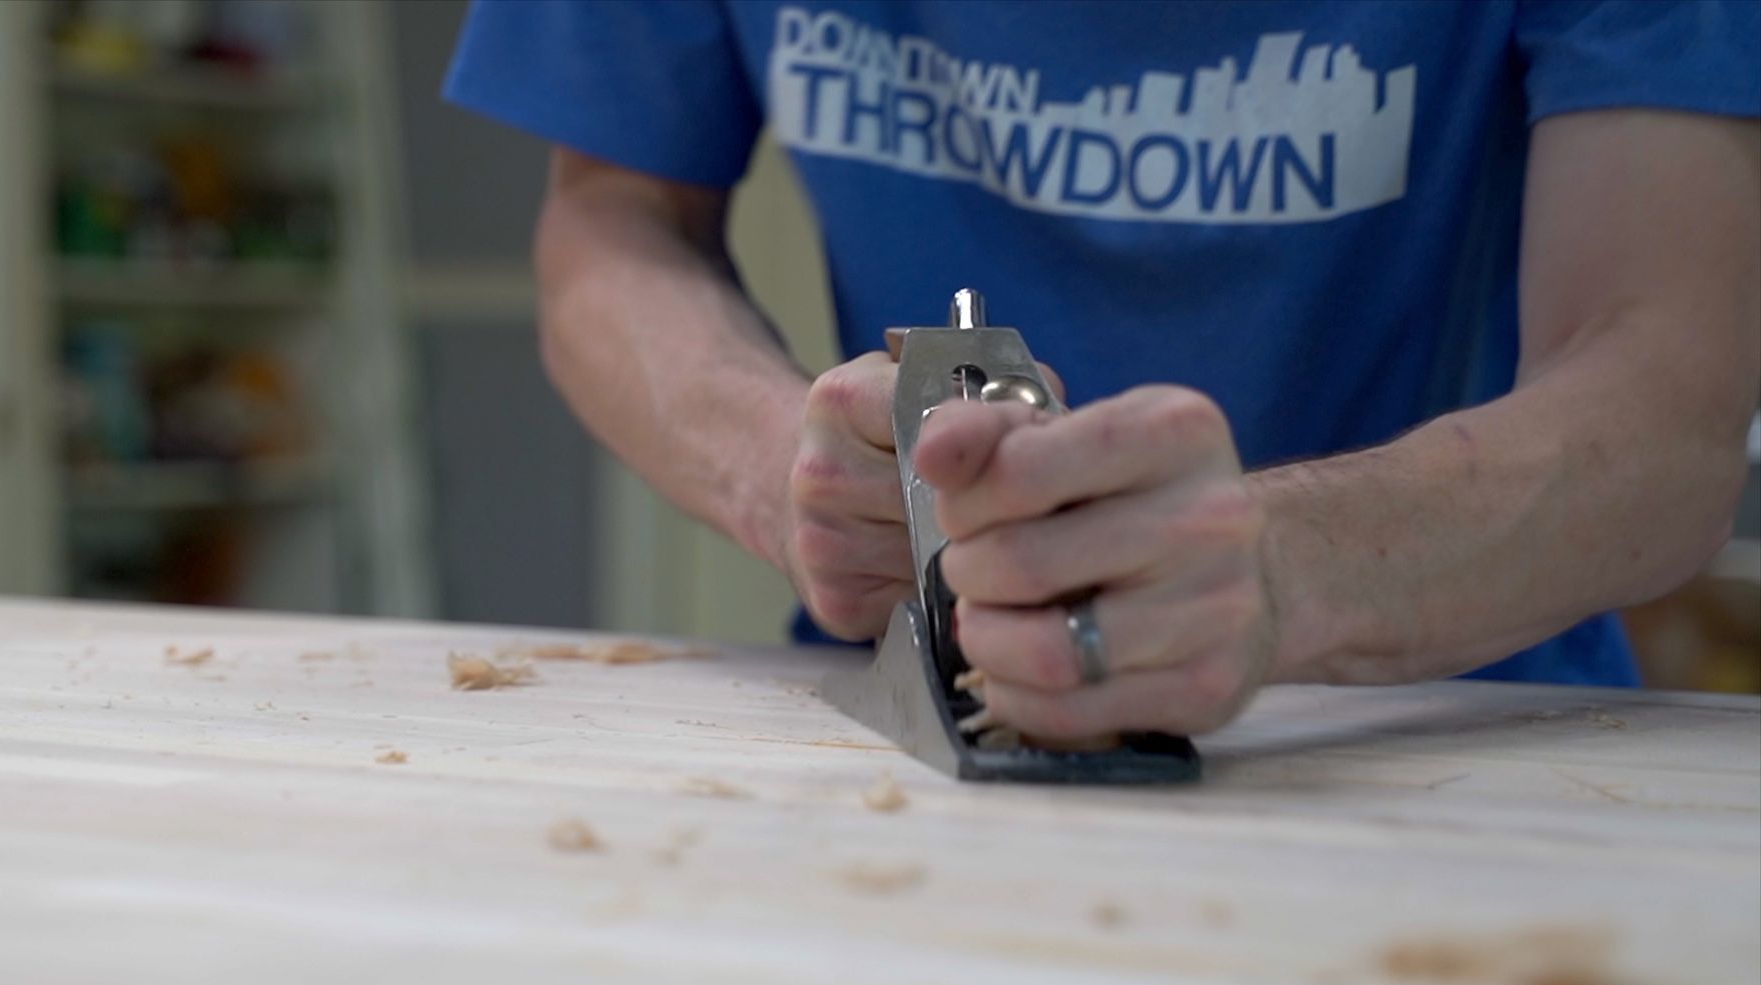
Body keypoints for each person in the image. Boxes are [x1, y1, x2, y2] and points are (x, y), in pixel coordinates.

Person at [444, 1, 1759, 743]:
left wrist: (1291, 564)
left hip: (1447, 733)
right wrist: (772, 463)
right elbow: (609, 225)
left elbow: (1667, 408)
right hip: (903, 712)